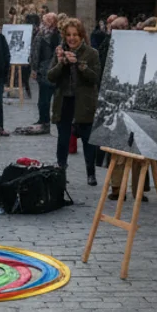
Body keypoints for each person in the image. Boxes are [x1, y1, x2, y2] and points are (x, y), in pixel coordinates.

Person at [48, 17, 101, 186]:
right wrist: (61, 63)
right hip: (64, 102)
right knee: (63, 139)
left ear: (81, 35)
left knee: (87, 140)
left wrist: (79, 64)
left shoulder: (92, 53)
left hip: (84, 103)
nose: (71, 38)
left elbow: (95, 78)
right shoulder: (60, 52)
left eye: (75, 35)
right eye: (68, 35)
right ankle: (61, 171)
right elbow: (50, 77)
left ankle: (90, 173)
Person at [30, 12, 61, 132]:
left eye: (47, 20)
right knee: (44, 99)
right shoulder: (42, 33)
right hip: (45, 70)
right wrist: (34, 68)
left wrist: (35, 68)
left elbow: (38, 53)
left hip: (49, 70)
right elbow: (35, 52)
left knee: (45, 99)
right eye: (44, 20)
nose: (44, 22)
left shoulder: (54, 35)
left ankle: (45, 121)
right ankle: (44, 120)